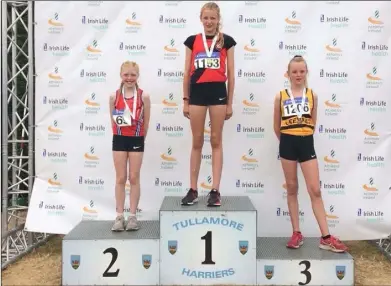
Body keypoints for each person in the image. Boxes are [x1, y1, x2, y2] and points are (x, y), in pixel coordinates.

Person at [273, 55, 348, 253]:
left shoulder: (312, 95)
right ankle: (296, 232)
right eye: (294, 72)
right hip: (287, 143)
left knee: (314, 190)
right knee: (291, 187)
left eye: (301, 71)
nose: (298, 75)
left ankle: (326, 237)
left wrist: (302, 136)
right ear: (287, 74)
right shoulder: (280, 96)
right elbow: (276, 125)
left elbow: (313, 122)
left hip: (306, 143)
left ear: (306, 73)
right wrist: (288, 140)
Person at [181, 2, 236, 207]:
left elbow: (231, 74)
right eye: (206, 18)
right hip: (197, 94)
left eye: (213, 18)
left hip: (218, 94)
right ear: (201, 19)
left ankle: (215, 191)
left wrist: (230, 103)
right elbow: (186, 72)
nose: (209, 22)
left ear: (218, 19)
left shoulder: (226, 41)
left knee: (216, 140)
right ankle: (193, 189)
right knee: (197, 141)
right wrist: (185, 100)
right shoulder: (192, 41)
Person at [109, 61, 150, 231]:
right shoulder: (114, 96)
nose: (129, 78)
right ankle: (119, 216)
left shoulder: (143, 96)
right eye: (126, 74)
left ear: (137, 76)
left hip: (136, 140)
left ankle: (132, 216)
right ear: (121, 75)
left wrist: (140, 138)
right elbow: (112, 121)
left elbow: (146, 122)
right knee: (120, 178)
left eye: (133, 75)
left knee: (134, 177)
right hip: (119, 139)